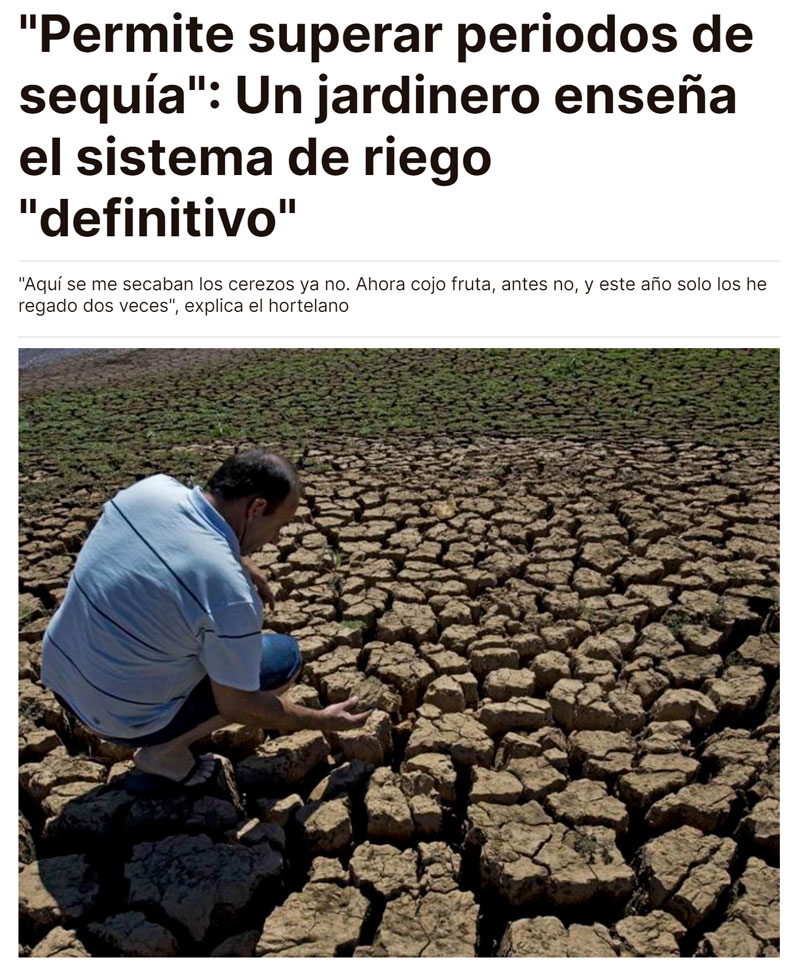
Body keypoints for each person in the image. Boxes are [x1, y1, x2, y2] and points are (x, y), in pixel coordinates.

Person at [41, 448, 371, 794]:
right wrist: (322, 720)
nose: (276, 539)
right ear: (256, 508)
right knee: (281, 658)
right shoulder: (227, 590)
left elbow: (177, 539)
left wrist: (236, 557)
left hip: (61, 676)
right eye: (280, 524)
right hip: (118, 717)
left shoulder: (148, 491)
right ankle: (163, 754)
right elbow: (239, 704)